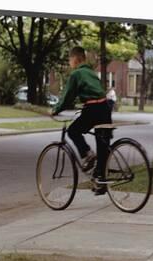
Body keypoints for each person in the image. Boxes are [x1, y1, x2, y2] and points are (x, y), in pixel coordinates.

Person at [51, 46, 112, 195]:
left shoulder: (76, 74)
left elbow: (67, 97)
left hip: (92, 109)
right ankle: (101, 183)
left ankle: (87, 153)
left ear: (76, 58)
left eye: (69, 59)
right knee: (103, 145)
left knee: (73, 131)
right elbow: (97, 91)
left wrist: (55, 109)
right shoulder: (91, 72)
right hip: (105, 107)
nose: (69, 62)